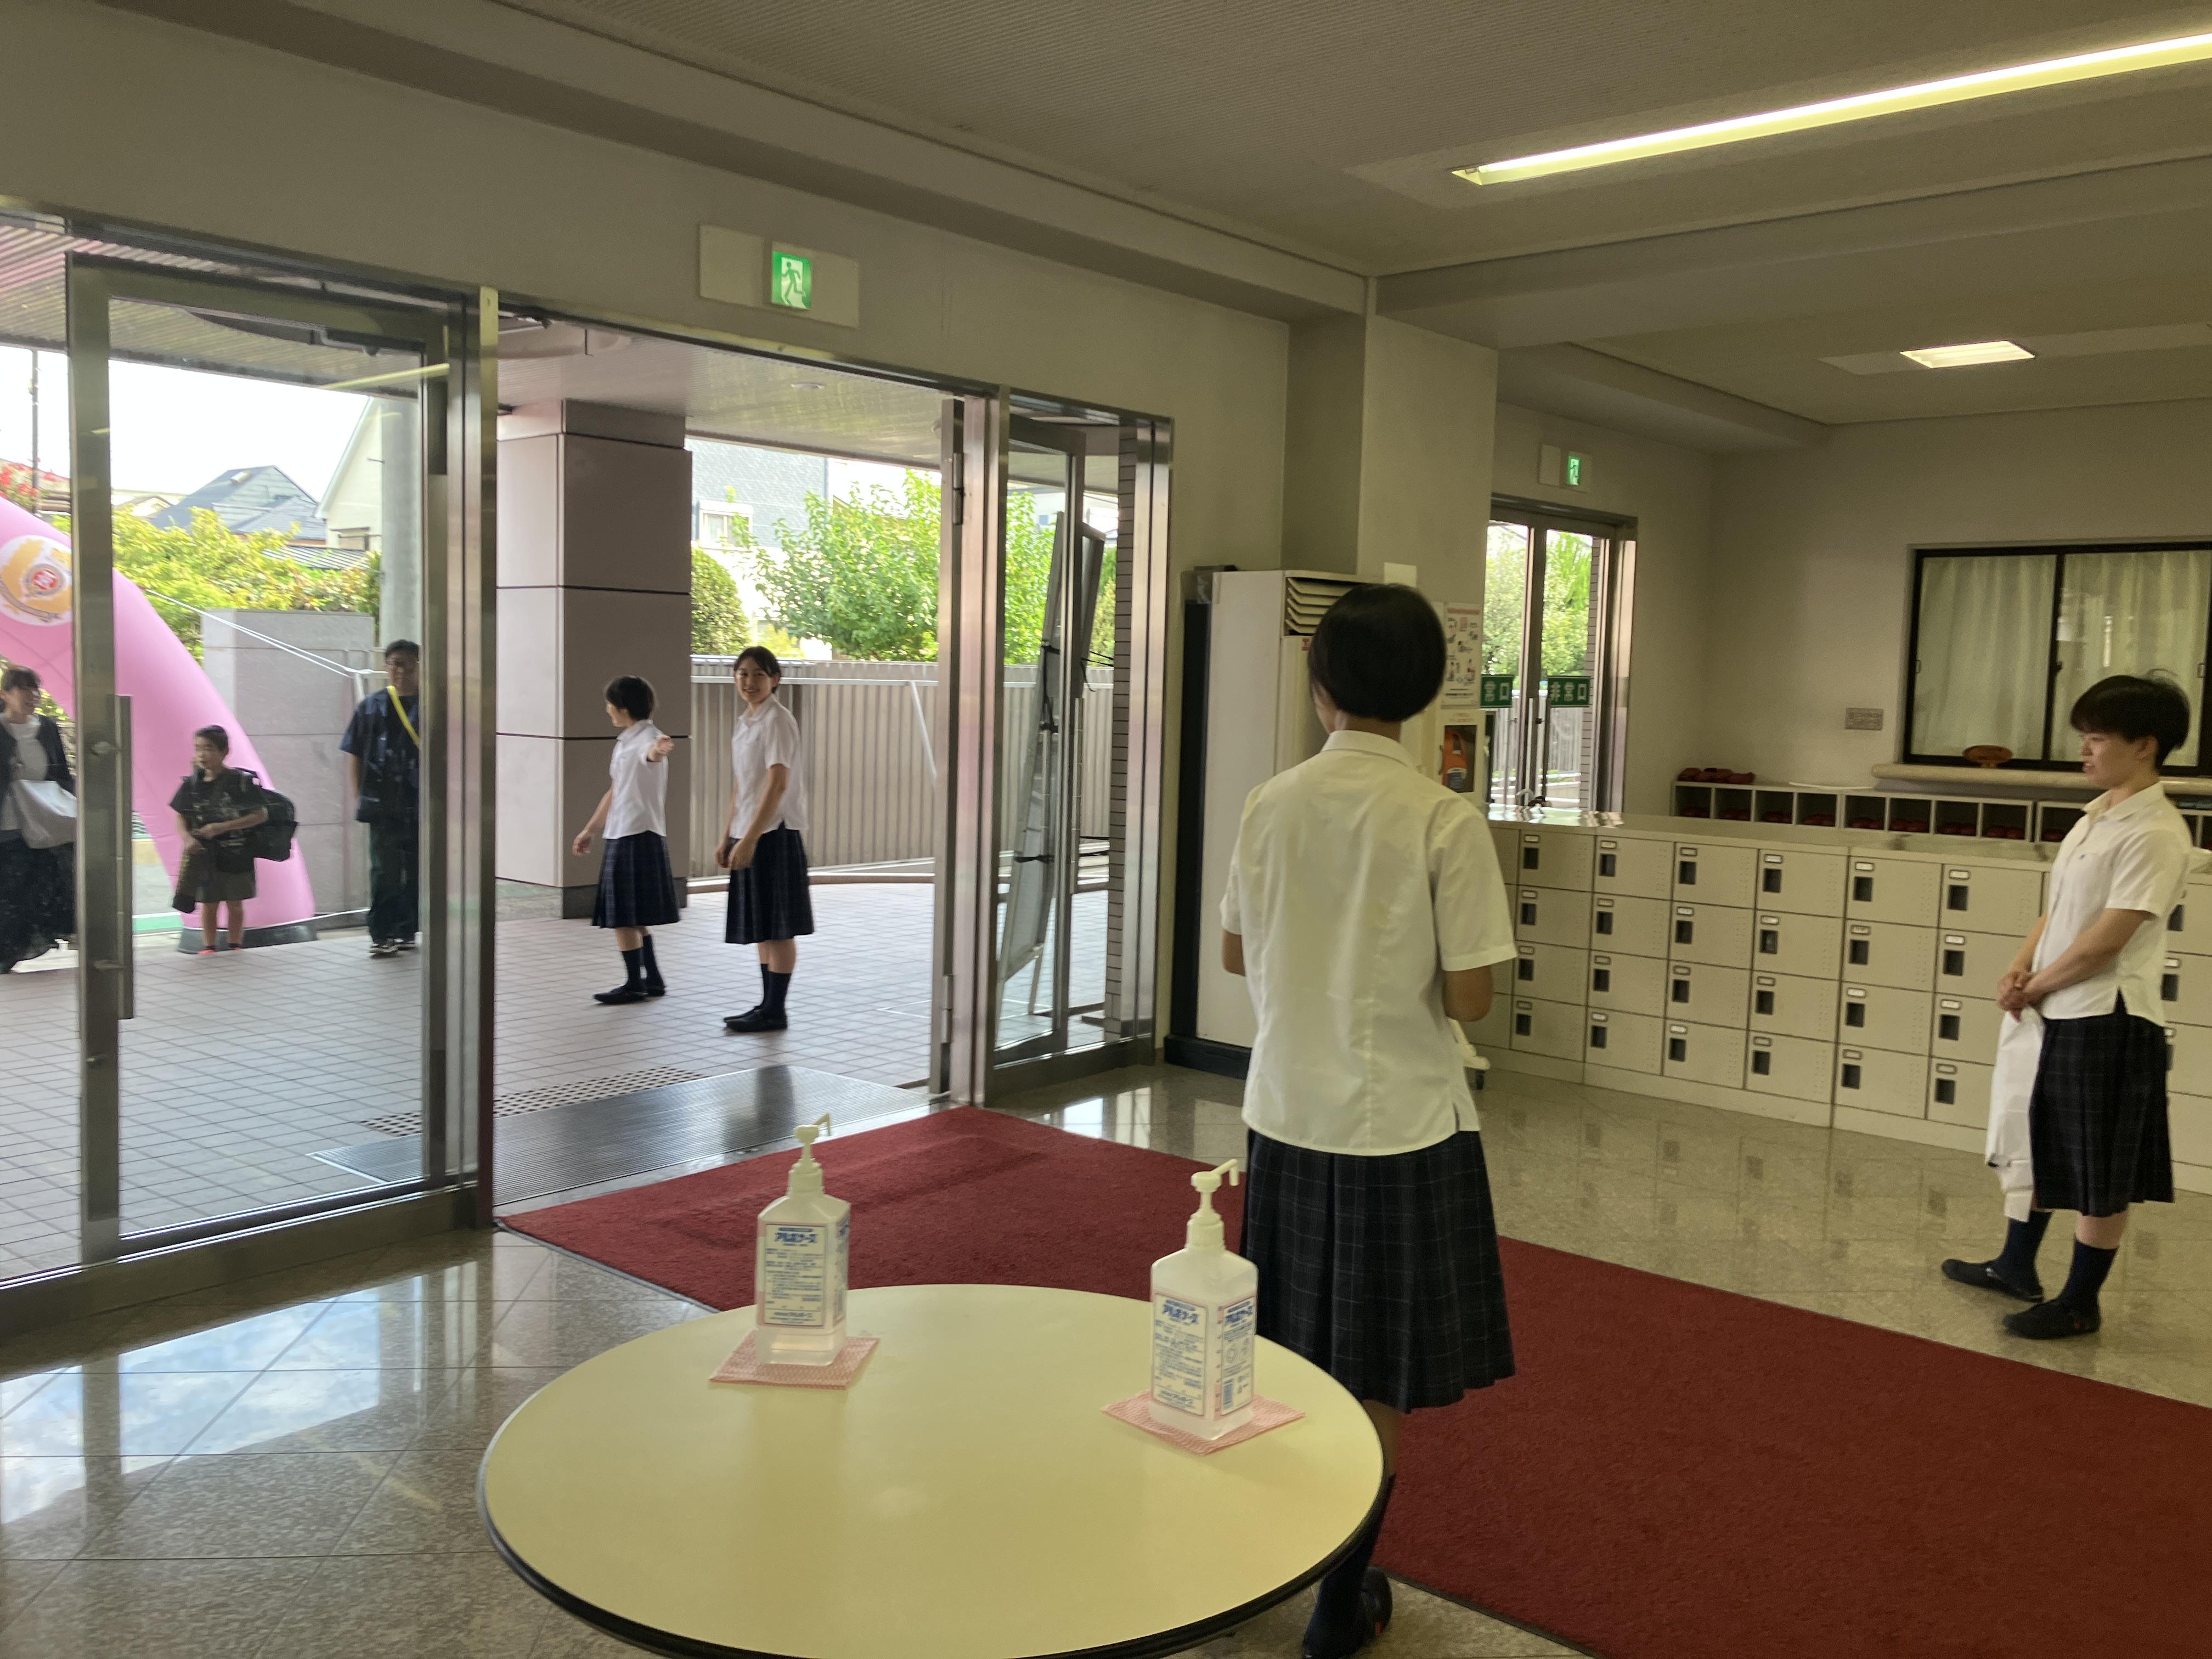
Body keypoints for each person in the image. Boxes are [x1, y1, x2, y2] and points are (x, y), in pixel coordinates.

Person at [1219, 584, 1517, 1659]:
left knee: (1289, 1353)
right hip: (1398, 1129)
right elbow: (1473, 995)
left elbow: (1236, 953)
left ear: (1320, 687)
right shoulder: (1443, 816)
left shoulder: (1269, 802)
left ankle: (1268, 1553)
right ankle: (1338, 1604)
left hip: (1287, 1116)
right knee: (1375, 1372)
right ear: (1427, 693)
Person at [1943, 674, 2196, 1340]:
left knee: (2098, 1166)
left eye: (2097, 739)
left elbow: (2107, 941)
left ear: (2145, 745)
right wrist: (2020, 966)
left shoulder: (2157, 832)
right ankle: (2015, 1265)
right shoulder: (2098, 815)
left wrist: (2035, 986)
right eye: (2084, 737)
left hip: (2106, 1017)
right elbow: (2058, 912)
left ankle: (2081, 1302)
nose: (2084, 751)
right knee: (2034, 1138)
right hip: (2056, 1004)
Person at [720, 645, 813, 1034]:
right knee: (763, 924)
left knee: (779, 926)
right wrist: (728, 835)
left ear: (775, 679)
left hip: (774, 833)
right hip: (750, 831)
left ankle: (776, 1009)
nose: (749, 682)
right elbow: (743, 786)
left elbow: (777, 784)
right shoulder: (746, 722)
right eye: (743, 674)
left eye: (759, 674)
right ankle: (766, 1005)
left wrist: (751, 839)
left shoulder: (777, 719)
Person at [572, 674, 679, 1005]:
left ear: (622, 707)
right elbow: (616, 790)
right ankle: (652, 979)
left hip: (635, 834)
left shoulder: (648, 738)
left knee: (624, 917)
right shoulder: (626, 741)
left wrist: (660, 750)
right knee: (635, 916)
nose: (607, 710)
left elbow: (653, 753)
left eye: (610, 704)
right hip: (625, 832)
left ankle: (634, 983)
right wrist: (590, 829)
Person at [341, 640, 421, 959]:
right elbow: (355, 753)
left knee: (416, 869)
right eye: (394, 663)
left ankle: (407, 929)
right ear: (386, 666)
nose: (400, 670)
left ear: (419, 666)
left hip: (421, 803)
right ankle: (381, 932)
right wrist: (359, 795)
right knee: (385, 869)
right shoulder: (371, 707)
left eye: (407, 664)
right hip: (382, 803)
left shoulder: (434, 704)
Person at [0, 665, 75, 973]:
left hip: (42, 821)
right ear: (5, 695)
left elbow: (61, 773)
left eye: (36, 689)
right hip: (7, 825)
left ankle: (16, 949)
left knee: (35, 888)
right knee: (9, 890)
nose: (33, 696)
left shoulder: (46, 727)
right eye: (24, 689)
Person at [171, 724, 269, 955]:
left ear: (225, 752)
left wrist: (222, 827)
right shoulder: (191, 784)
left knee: (235, 901)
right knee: (208, 903)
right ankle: (209, 947)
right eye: (198, 749)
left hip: (236, 852)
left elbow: (260, 815)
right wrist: (187, 839)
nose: (202, 755)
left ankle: (235, 945)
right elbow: (181, 817)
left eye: (209, 749)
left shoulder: (240, 781)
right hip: (204, 854)